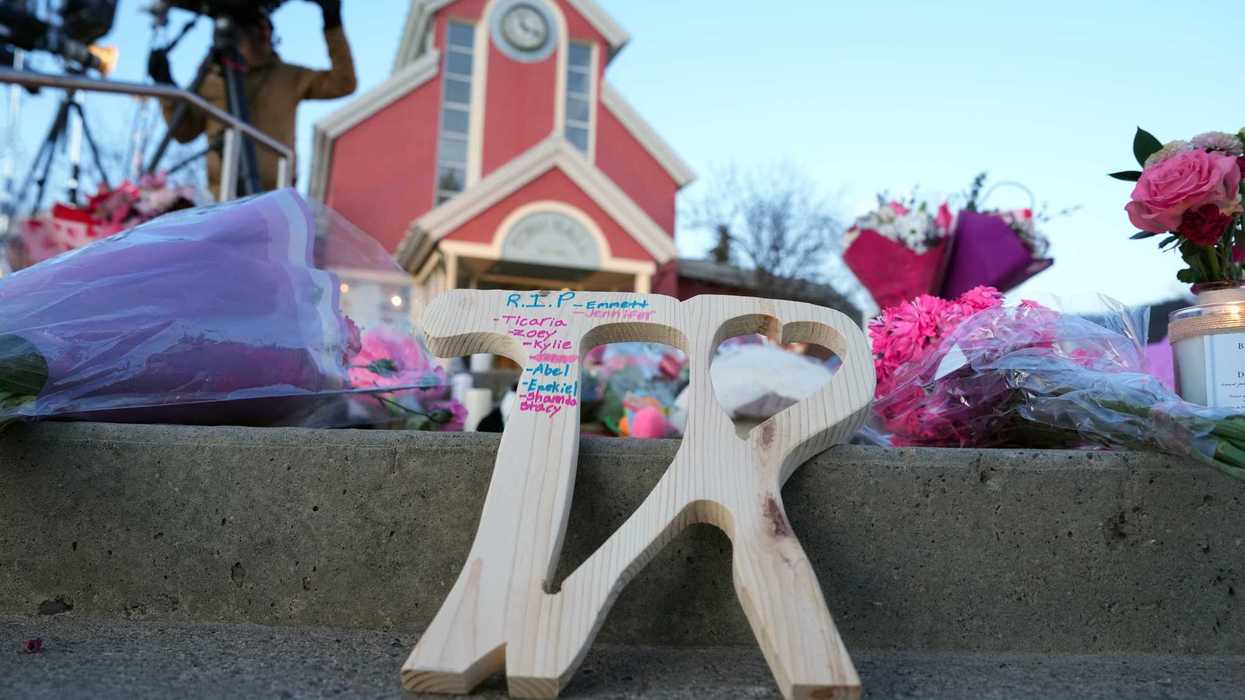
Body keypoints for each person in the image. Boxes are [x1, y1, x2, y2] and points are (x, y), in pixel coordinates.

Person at [148, 0, 356, 193]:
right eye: (257, 27)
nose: (265, 35)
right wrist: (165, 83)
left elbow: (343, 83)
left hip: (274, 197)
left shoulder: (288, 76)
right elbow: (183, 131)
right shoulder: (213, 78)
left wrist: (332, 22)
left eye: (267, 29)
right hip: (221, 198)